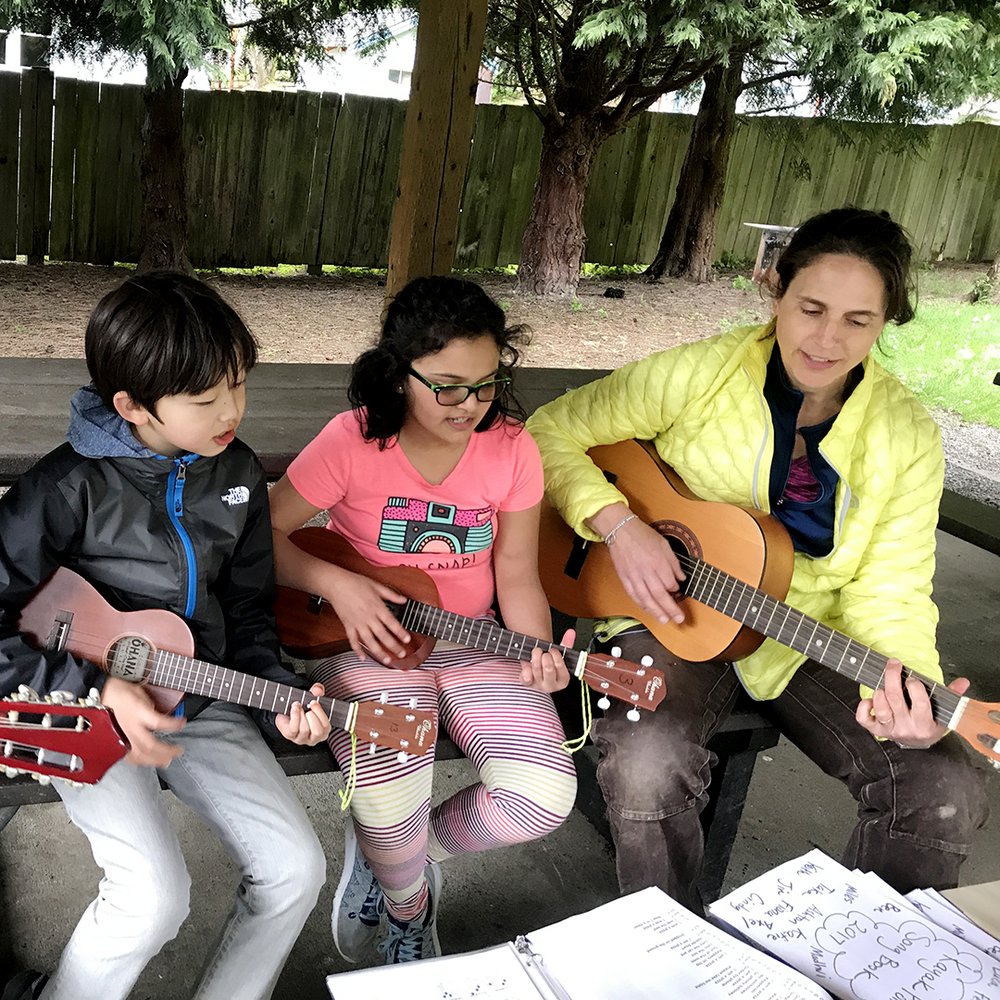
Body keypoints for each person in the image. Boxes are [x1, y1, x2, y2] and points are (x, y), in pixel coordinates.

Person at [525, 207, 989, 913]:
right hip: (669, 611)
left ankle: (869, 965)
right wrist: (618, 524)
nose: (828, 339)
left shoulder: (907, 436)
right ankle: (667, 959)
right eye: (811, 308)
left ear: (886, 322)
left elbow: (891, 589)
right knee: (650, 761)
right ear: (775, 289)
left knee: (942, 784)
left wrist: (912, 696)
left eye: (858, 321)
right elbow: (550, 430)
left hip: (804, 631)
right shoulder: (700, 374)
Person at [0, 273, 331, 1000]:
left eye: (240, 386)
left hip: (198, 694)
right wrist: (94, 686)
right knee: (152, 898)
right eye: (207, 399)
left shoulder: (238, 471)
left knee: (298, 868)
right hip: (60, 703)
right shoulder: (62, 488)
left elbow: (246, 610)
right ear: (131, 406)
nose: (233, 412)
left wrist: (277, 693)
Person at [269, 275, 578, 965]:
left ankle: (395, 855)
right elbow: (264, 534)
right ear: (396, 373)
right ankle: (410, 902)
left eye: (485, 382)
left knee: (542, 796)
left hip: (473, 644)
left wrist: (532, 649)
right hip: (365, 641)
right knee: (388, 785)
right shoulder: (352, 440)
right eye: (445, 385)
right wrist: (336, 585)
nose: (468, 404)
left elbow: (518, 574)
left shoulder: (513, 448)